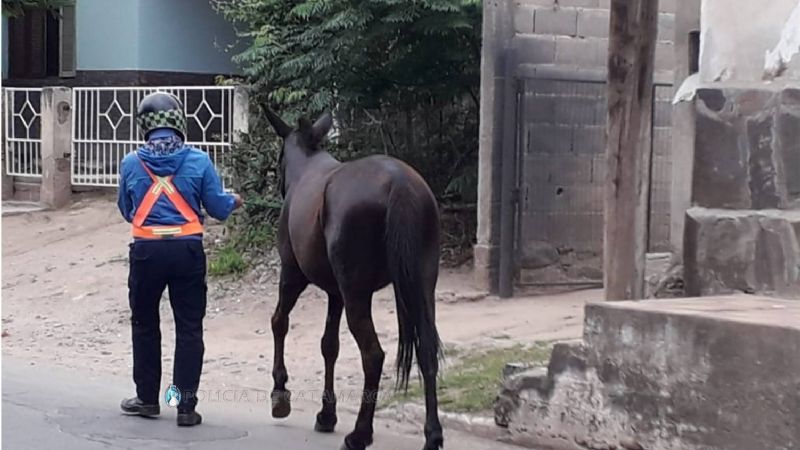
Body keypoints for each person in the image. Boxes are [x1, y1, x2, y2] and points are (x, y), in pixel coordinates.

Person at [117, 92, 243, 426]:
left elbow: (127, 210)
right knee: (188, 328)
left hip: (146, 253)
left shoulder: (131, 163)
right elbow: (217, 207)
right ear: (179, 124)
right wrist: (233, 202)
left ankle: (148, 399)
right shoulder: (199, 161)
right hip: (187, 253)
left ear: (144, 127)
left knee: (145, 325)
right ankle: (183, 405)